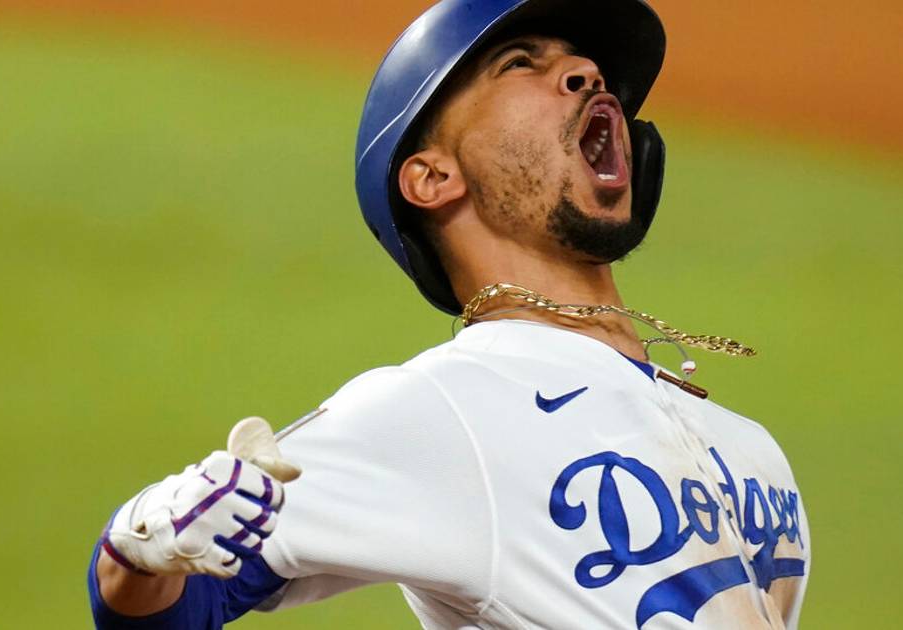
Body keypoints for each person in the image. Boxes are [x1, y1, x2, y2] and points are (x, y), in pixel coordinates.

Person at [87, 0, 811, 628]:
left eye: (586, 67)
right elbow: (180, 601)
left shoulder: (750, 449)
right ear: (433, 177)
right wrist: (139, 542)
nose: (588, 72)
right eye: (521, 64)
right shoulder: (447, 408)